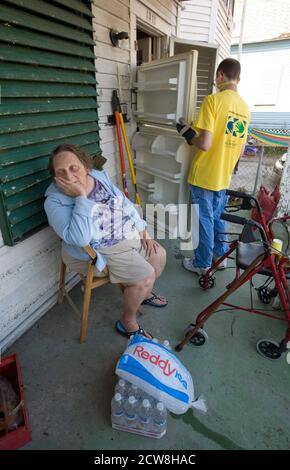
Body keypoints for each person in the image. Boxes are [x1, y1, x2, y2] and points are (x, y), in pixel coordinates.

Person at [44, 144, 167, 339]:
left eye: (73, 168)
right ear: (55, 178)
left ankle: (143, 294)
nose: (69, 176)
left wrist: (143, 231)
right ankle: (128, 321)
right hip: (98, 249)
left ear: (85, 166)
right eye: (61, 172)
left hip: (126, 232)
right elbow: (79, 238)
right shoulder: (54, 202)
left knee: (159, 255)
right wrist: (81, 197)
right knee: (145, 277)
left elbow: (124, 202)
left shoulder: (98, 176)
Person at [176, 58, 250, 275]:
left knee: (205, 221)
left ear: (219, 76)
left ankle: (202, 264)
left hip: (204, 175)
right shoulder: (245, 108)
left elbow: (205, 144)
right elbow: (241, 149)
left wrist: (187, 133)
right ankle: (221, 255)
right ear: (238, 78)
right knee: (217, 217)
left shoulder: (213, 100)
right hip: (223, 177)